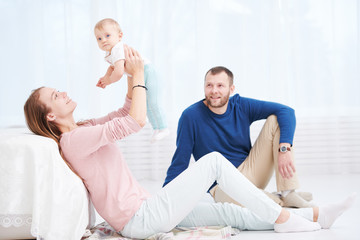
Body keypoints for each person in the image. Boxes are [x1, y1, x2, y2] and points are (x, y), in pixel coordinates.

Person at [23, 47, 355, 239]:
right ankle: (283, 220)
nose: (63, 93)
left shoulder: (82, 127)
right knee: (212, 162)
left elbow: (125, 109)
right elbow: (135, 121)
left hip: (146, 208)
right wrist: (137, 76)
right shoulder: (74, 140)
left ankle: (315, 216)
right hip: (139, 219)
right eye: (55, 96)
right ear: (50, 116)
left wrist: (126, 70)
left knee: (226, 210)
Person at [163, 66, 314, 208]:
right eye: (209, 85)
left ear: (231, 88)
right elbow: (180, 161)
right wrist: (164, 199)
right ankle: (279, 200)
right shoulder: (190, 116)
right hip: (221, 187)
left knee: (275, 119)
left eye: (220, 86)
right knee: (226, 196)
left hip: (250, 171)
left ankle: (288, 193)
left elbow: (286, 111)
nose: (214, 91)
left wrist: (284, 149)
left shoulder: (241, 105)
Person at [94, 18, 169, 142]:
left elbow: (117, 73)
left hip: (147, 71)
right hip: (141, 73)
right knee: (147, 104)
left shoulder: (117, 49)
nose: (104, 40)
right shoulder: (111, 53)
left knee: (153, 102)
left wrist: (109, 81)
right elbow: (112, 68)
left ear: (119, 36)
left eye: (107, 35)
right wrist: (106, 77)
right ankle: (157, 128)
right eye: (99, 38)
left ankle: (164, 128)